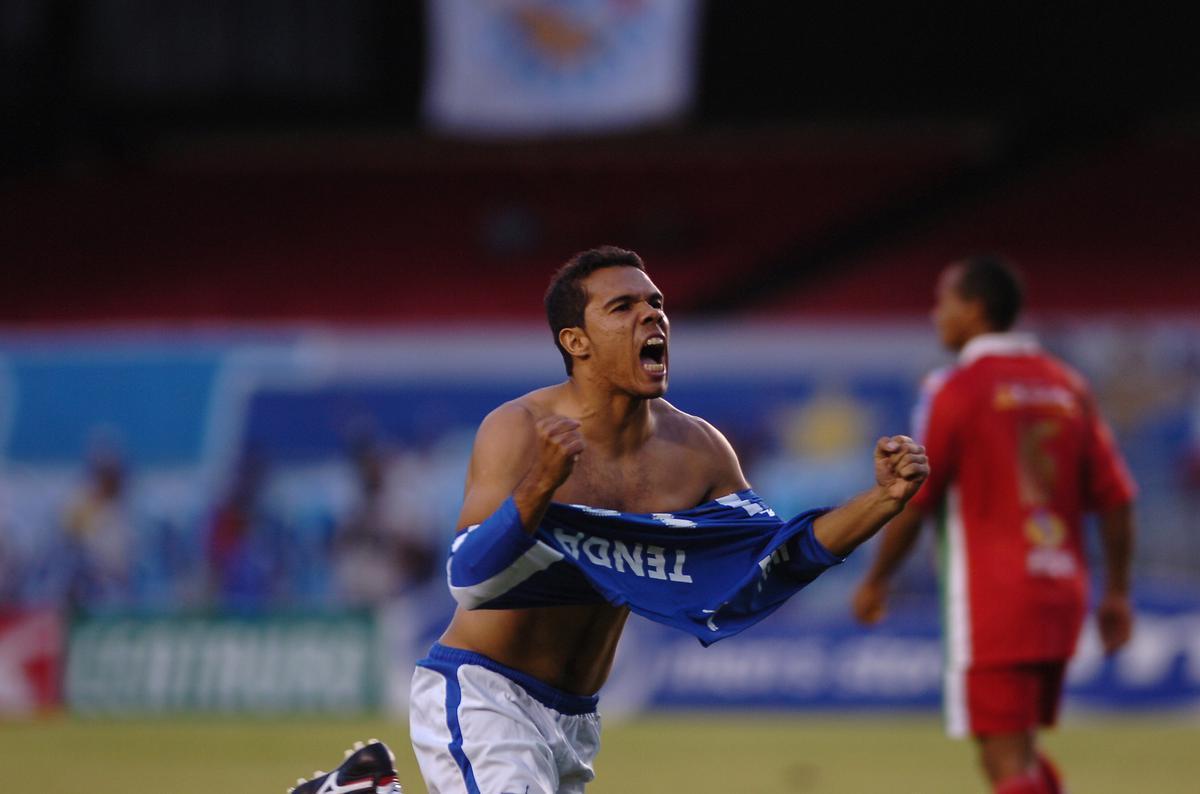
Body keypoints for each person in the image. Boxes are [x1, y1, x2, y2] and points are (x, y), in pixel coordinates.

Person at [408, 246, 929, 794]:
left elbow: (769, 565)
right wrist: (540, 484)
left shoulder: (699, 450)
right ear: (575, 342)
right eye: (622, 306)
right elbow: (469, 580)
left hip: (576, 718)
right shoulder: (518, 429)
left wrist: (880, 501)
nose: (651, 315)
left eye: (655, 303)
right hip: (483, 691)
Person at [852, 256, 1137, 794]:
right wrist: (1117, 592)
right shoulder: (1067, 385)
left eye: (946, 300)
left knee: (1004, 761)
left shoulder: (955, 388)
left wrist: (877, 579)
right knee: (1022, 751)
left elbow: (913, 496)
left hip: (993, 598)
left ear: (976, 308)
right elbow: (1117, 497)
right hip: (1061, 591)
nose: (938, 313)